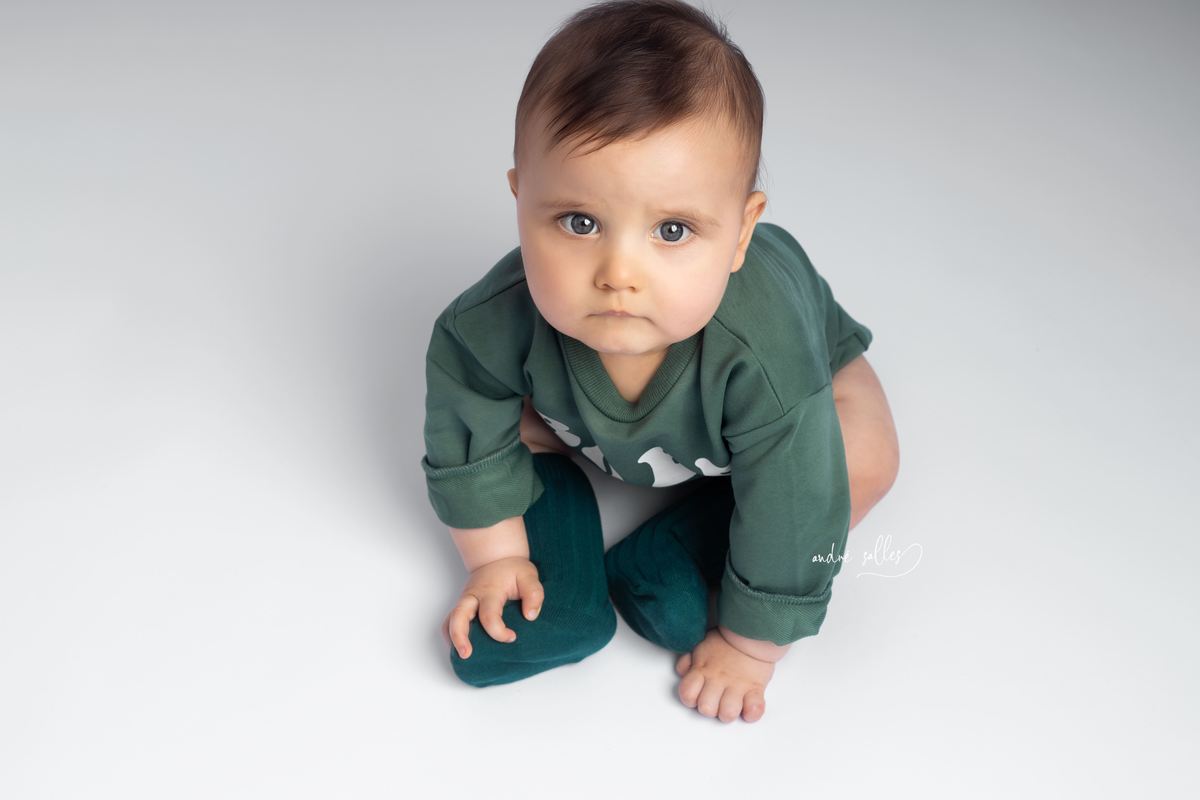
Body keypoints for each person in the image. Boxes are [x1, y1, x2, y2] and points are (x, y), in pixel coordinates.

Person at [419, 0, 900, 724]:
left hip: (790, 417)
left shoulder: (764, 358)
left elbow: (801, 507)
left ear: (740, 234)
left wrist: (750, 648)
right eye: (580, 222)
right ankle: (556, 587)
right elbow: (467, 420)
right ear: (522, 200)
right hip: (587, 425)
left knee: (859, 459)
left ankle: (691, 543)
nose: (619, 274)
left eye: (673, 230)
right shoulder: (495, 320)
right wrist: (494, 557)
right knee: (513, 422)